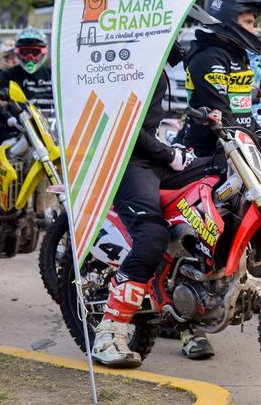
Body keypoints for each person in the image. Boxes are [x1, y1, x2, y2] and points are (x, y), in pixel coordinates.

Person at [91, 40, 217, 368]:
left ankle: (192, 295)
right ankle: (109, 333)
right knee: (152, 234)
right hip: (126, 161)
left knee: (220, 173)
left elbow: (146, 124)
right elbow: (125, 129)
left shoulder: (153, 61)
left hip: (152, 153)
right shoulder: (129, 63)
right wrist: (169, 154)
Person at [180, 0, 261, 157]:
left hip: (238, 146)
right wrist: (255, 139)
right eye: (248, 22)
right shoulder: (209, 57)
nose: (253, 30)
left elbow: (242, 110)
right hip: (210, 152)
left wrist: (259, 132)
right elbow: (221, 113)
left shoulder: (237, 55)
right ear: (228, 20)